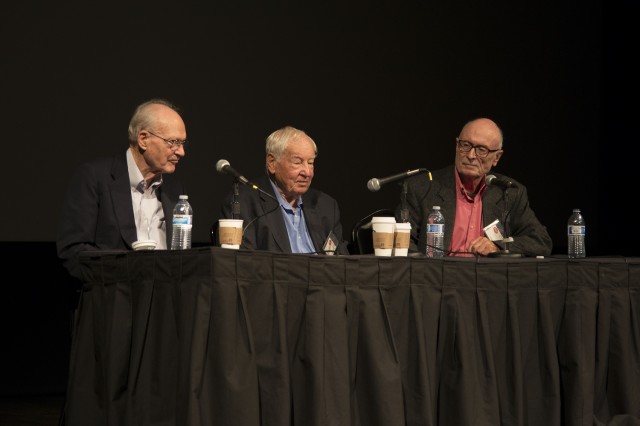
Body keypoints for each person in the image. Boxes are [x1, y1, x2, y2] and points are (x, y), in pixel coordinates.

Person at [57, 98, 188, 280]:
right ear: (143, 139)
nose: (181, 152)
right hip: (113, 298)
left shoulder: (174, 190)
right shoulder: (95, 177)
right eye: (173, 142)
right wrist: (128, 274)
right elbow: (73, 251)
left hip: (164, 300)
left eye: (182, 143)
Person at [398, 117, 552, 257]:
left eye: (481, 150)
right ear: (457, 146)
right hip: (438, 281)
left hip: (489, 282)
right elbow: (401, 244)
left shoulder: (509, 191)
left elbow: (541, 241)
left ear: (497, 157)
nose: (471, 155)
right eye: (466, 145)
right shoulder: (422, 188)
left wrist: (499, 245)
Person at [218, 125, 350, 255]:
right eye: (297, 162)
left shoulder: (326, 205)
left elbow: (343, 264)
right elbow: (242, 264)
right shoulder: (245, 203)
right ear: (272, 163)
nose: (307, 172)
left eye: (310, 163)